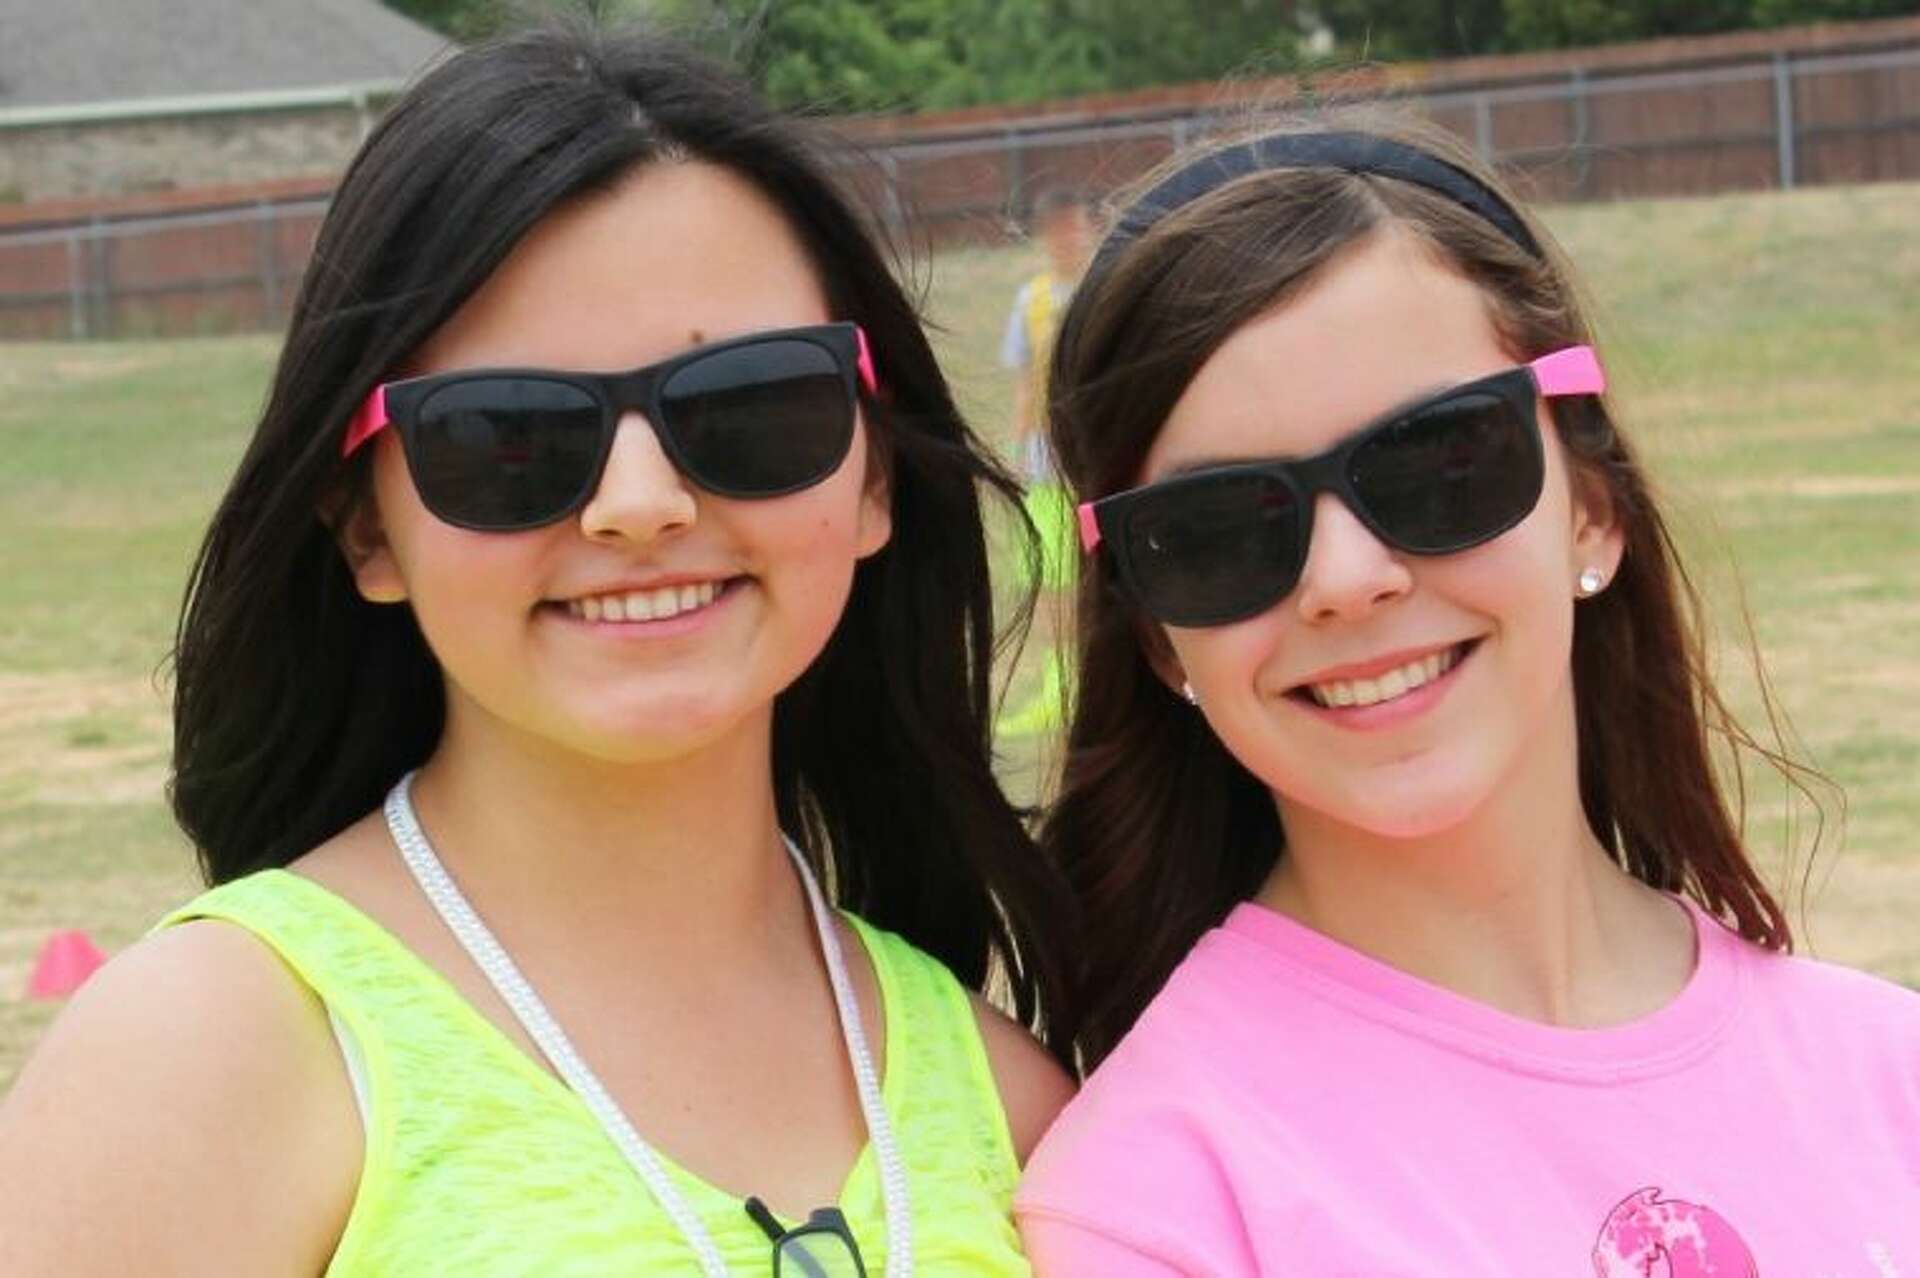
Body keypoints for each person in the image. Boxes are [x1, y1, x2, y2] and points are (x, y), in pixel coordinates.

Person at [0, 22, 1077, 1275]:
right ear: (367, 529)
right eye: (506, 434)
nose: (640, 503)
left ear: (873, 474)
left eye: (749, 405)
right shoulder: (210, 1055)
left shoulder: (1015, 1111)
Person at [1014, 117, 1920, 1274]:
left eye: (1436, 461)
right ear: (1155, 636)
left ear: (1592, 507)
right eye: (1218, 529)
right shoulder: (1152, 1201)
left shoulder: (1889, 1072)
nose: (1347, 579)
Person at [996, 186, 1096, 738]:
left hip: (1098, 457)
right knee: (1050, 573)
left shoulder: (1105, 290)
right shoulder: (1030, 301)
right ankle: (1061, 684)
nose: (1066, 238)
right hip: (1044, 461)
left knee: (1099, 573)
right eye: (1057, 228)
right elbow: (1023, 385)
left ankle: (1101, 678)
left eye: (1074, 226)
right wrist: (1019, 452)